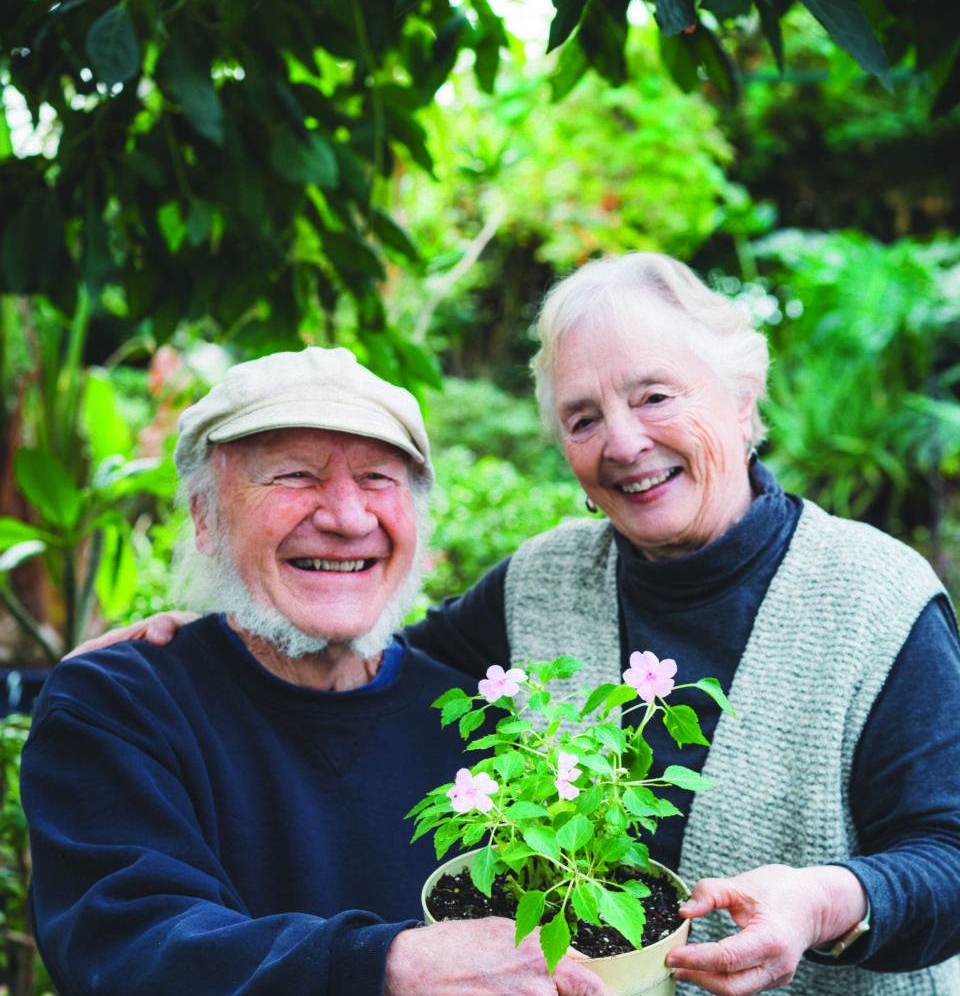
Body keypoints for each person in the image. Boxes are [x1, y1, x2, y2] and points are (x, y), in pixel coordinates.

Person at [71, 253, 960, 996]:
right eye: (583, 417)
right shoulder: (540, 585)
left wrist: (828, 898)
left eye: (656, 396)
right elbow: (349, 666)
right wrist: (200, 634)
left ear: (742, 401)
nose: (623, 442)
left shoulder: (875, 597)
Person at [20, 347, 608, 996]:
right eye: (294, 476)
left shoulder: (479, 723)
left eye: (378, 479)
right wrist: (385, 965)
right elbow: (136, 949)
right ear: (204, 518)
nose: (347, 518)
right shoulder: (117, 708)